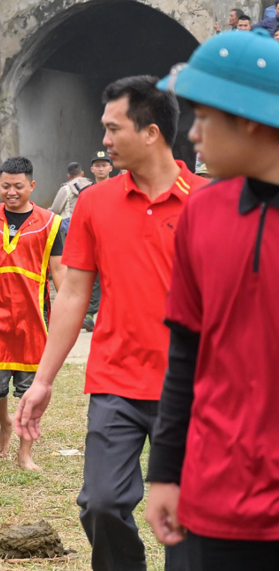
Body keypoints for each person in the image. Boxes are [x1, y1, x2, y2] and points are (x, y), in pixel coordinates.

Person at [14, 76, 210, 571]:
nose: (103, 140)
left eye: (112, 128)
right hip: (116, 383)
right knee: (100, 504)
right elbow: (74, 294)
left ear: (151, 133)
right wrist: (42, 381)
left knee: (188, 520)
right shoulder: (95, 205)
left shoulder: (208, 203)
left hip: (192, 387)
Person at [144, 29, 279, 571]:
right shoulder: (201, 213)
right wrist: (165, 474)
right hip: (210, 498)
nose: (191, 134)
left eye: (203, 117)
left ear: (247, 117)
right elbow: (185, 358)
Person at [0, 157, 65, 472]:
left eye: (18, 186)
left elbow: (60, 275)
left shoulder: (51, 223)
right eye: (5, 186)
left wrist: (68, 319)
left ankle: (25, 453)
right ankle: (5, 422)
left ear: (32, 186)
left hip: (33, 322)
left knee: (33, 393)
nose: (11, 192)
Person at [51, 162, 93, 233]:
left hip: (72, 228)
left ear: (69, 176)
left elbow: (55, 210)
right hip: (89, 227)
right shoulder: (93, 186)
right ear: (82, 174)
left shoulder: (66, 189)